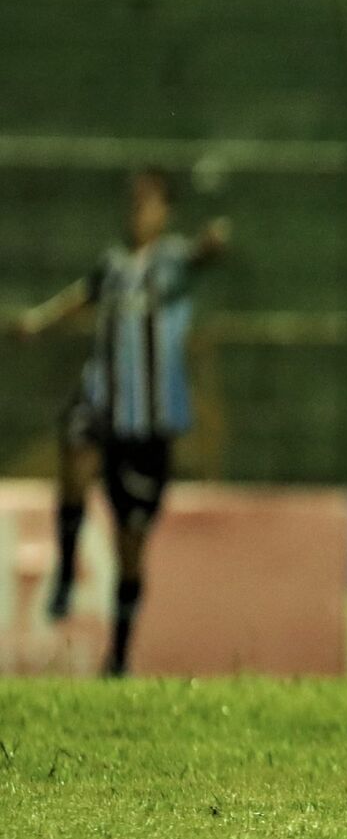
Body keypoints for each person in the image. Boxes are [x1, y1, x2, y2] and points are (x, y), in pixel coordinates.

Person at [14, 169, 229, 676]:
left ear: (165, 212)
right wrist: (41, 320)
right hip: (103, 403)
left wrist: (213, 242)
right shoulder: (112, 266)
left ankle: (120, 656)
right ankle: (66, 568)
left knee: (131, 543)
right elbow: (82, 294)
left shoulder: (171, 261)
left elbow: (200, 255)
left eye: (149, 204)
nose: (139, 212)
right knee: (73, 445)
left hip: (149, 427)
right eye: (135, 203)